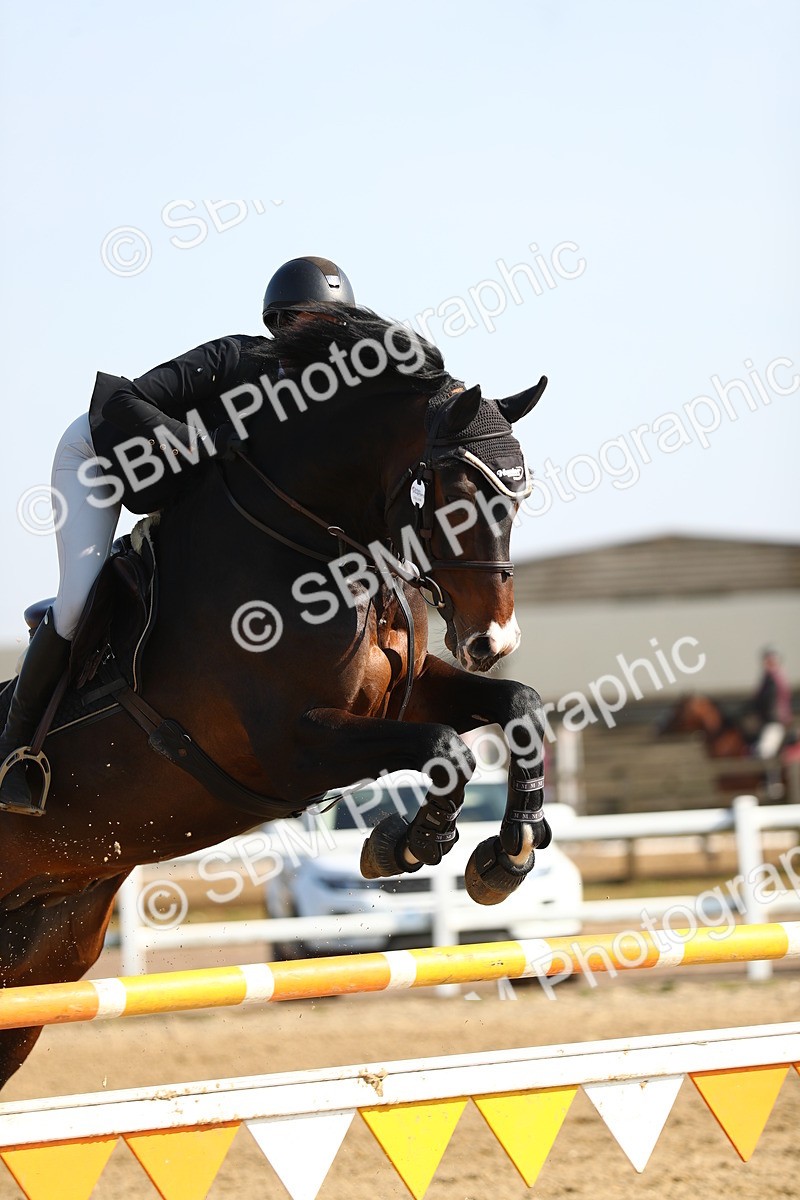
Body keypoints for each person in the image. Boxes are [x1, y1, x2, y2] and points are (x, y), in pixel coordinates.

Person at [0, 256, 355, 814]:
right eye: (311, 323)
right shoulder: (236, 357)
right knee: (73, 606)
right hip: (98, 459)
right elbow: (118, 398)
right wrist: (200, 441)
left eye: (335, 327)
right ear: (281, 322)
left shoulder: (319, 403)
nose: (326, 339)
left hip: (169, 492)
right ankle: (14, 753)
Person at [747, 646, 794, 758]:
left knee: (765, 752)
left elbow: (765, 701)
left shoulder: (775, 679)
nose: (767, 663)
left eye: (770, 660)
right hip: (766, 722)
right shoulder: (768, 678)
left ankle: (772, 776)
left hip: (775, 723)